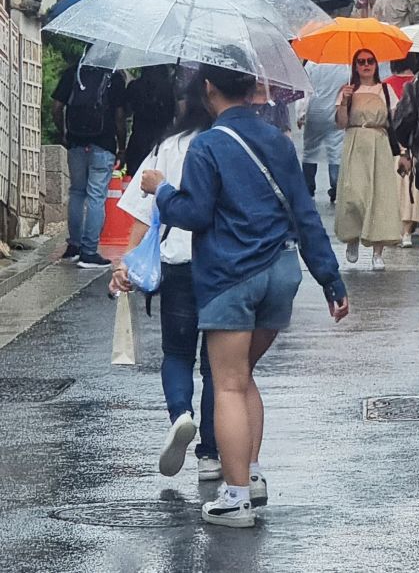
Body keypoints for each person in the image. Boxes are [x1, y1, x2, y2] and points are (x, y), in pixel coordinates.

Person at [141, 64, 349, 528]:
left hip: (232, 275)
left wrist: (162, 190)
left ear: (209, 88)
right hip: (281, 272)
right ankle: (250, 476)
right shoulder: (277, 140)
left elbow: (194, 213)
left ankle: (236, 499)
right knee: (245, 378)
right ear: (253, 87)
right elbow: (306, 214)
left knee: (229, 384)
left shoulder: (207, 144)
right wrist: (331, 280)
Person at [110, 70, 220, 482]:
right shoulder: (225, 144)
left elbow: (142, 216)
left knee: (177, 354)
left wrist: (127, 264)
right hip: (220, 266)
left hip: (175, 264)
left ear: (184, 105)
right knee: (217, 367)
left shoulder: (165, 148)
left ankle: (181, 414)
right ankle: (210, 455)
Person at [51, 61, 127, 269]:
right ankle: (89, 253)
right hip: (103, 145)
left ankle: (74, 246)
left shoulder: (73, 72)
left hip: (76, 142)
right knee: (96, 196)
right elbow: (120, 117)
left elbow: (57, 107)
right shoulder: (114, 77)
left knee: (76, 192)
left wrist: (63, 134)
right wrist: (122, 146)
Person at [334, 49, 402, 269]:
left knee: (380, 197)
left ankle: (377, 252)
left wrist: (403, 152)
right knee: (353, 193)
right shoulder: (347, 90)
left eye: (370, 61)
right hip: (355, 143)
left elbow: (396, 121)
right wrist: (344, 101)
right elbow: (341, 123)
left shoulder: (386, 89)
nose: (366, 65)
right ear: (355, 66)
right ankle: (352, 237)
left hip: (379, 144)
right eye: (361, 62)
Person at [383, 55, 419, 247]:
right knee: (414, 188)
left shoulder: (385, 85)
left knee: (396, 186)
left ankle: (397, 228)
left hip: (393, 141)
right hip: (416, 140)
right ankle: (410, 230)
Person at [299, 61, 347, 204]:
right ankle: (336, 189)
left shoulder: (312, 64)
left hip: (314, 113)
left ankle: (308, 189)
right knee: (336, 151)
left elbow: (304, 91)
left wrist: (300, 114)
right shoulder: (344, 65)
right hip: (335, 112)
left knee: (310, 152)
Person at [124, 65, 176, 177]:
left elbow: (127, 112)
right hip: (161, 141)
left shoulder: (135, 86)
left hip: (138, 140)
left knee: (135, 179)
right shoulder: (170, 89)